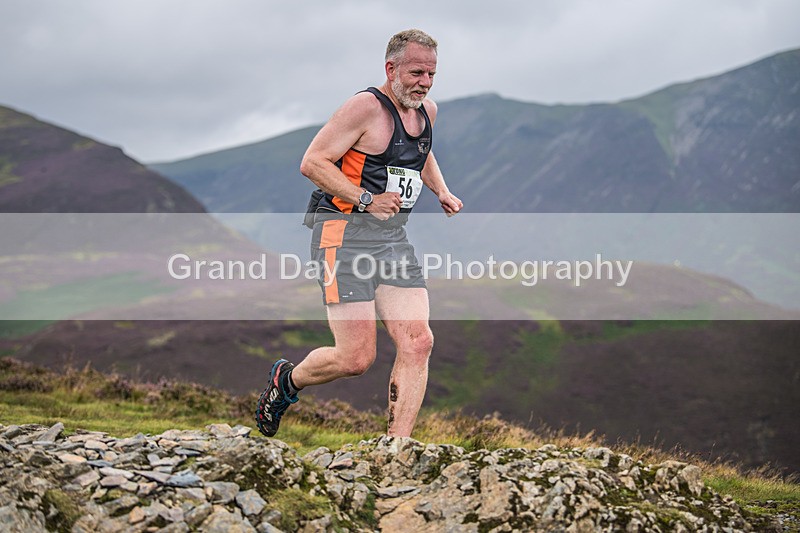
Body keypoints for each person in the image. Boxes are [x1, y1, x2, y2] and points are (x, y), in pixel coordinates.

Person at [255, 28, 462, 438]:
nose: (425, 82)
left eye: (432, 74)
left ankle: (396, 450)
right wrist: (366, 199)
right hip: (340, 233)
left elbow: (421, 153)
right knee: (355, 358)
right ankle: (288, 381)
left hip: (391, 238)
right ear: (391, 68)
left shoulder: (426, 112)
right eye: (417, 72)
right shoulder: (364, 108)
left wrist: (442, 190)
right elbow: (313, 162)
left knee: (418, 341)